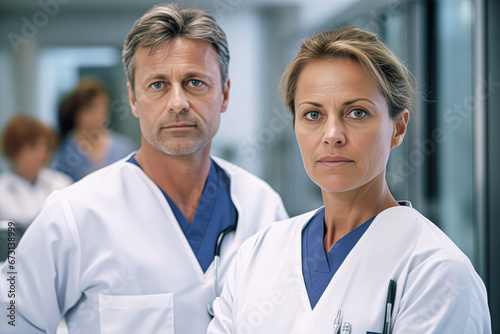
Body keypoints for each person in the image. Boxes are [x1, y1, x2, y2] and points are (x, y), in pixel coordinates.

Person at [0, 4, 287, 334]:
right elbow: (11, 317)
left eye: (195, 82)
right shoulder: (74, 215)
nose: (178, 102)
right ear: (133, 99)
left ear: (224, 93)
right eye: (158, 84)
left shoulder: (264, 209)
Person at [208, 27, 491, 333]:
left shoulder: (437, 273)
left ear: (398, 128)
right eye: (313, 115)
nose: (332, 135)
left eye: (357, 112)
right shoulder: (256, 255)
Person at [52, 77, 136, 181]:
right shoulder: (64, 154)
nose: (100, 113)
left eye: (103, 106)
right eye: (91, 107)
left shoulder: (123, 148)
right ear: (75, 112)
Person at [0, 114, 72, 232]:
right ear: (14, 148)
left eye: (47, 146)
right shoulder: (2, 190)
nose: (42, 152)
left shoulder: (61, 183)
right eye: (33, 145)